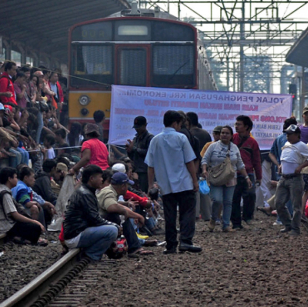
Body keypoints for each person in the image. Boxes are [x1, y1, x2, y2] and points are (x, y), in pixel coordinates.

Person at [145, 110, 201, 254]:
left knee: (170, 215)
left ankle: (170, 245)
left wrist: (151, 185)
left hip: (165, 185)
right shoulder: (181, 138)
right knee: (187, 212)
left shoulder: (155, 140)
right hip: (184, 182)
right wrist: (195, 180)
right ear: (176, 123)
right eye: (180, 124)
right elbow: (189, 161)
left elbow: (150, 166)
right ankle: (186, 241)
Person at [62, 165, 119, 261]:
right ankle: (91, 255)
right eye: (100, 177)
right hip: (75, 235)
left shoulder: (86, 191)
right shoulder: (85, 194)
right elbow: (94, 219)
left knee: (110, 222)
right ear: (91, 179)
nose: (102, 179)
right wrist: (115, 225)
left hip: (76, 231)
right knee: (112, 230)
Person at [201, 125, 249, 232]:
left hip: (230, 178)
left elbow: (240, 164)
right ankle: (214, 218)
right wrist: (204, 170)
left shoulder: (234, 148)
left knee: (228, 202)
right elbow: (205, 159)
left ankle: (226, 225)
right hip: (216, 177)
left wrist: (247, 177)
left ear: (231, 136)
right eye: (222, 133)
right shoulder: (213, 146)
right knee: (217, 200)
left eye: (227, 133)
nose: (224, 135)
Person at [96, 171, 152, 258]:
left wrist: (129, 208)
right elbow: (111, 207)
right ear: (123, 186)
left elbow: (115, 204)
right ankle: (133, 247)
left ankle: (134, 247)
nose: (127, 188)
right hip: (98, 222)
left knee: (121, 215)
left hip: (99, 221)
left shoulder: (110, 191)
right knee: (119, 216)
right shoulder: (109, 192)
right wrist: (126, 212)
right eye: (127, 185)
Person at [274, 124, 308, 236]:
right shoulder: (287, 144)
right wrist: (281, 166)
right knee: (278, 203)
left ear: (297, 135)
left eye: (290, 134)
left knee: (296, 205)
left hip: (295, 179)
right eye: (287, 134)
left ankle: (295, 229)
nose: (288, 136)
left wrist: (300, 167)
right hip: (284, 178)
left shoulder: (302, 145)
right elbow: (286, 158)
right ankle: (287, 224)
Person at [0, 167, 45, 244]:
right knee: (35, 227)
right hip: (5, 225)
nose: (17, 180)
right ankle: (24, 240)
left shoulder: (1, 190)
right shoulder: (5, 194)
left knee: (30, 224)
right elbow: (15, 215)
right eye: (15, 177)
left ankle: (21, 238)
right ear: (9, 179)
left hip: (3, 223)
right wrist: (34, 221)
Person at [231, 115, 262, 228]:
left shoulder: (252, 143)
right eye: (236, 124)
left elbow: (256, 160)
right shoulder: (232, 138)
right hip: (233, 174)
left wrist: (259, 176)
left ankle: (247, 217)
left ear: (247, 127)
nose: (236, 126)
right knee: (234, 198)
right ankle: (236, 223)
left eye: (239, 124)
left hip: (248, 174)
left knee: (250, 194)